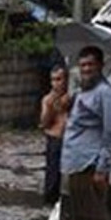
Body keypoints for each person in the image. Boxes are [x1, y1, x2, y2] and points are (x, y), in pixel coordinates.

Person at [57, 46, 111, 220]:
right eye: (82, 65)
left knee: (94, 212)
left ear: (100, 66)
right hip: (74, 160)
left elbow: (110, 133)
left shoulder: (107, 93)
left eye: (90, 65)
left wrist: (102, 168)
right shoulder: (82, 92)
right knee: (80, 211)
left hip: (90, 161)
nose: (85, 69)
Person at [39, 65, 70, 205]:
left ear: (66, 80)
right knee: (52, 175)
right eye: (53, 80)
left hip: (70, 140)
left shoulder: (72, 98)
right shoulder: (48, 100)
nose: (56, 84)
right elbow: (44, 123)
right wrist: (52, 108)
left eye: (59, 79)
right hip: (54, 139)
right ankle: (50, 202)